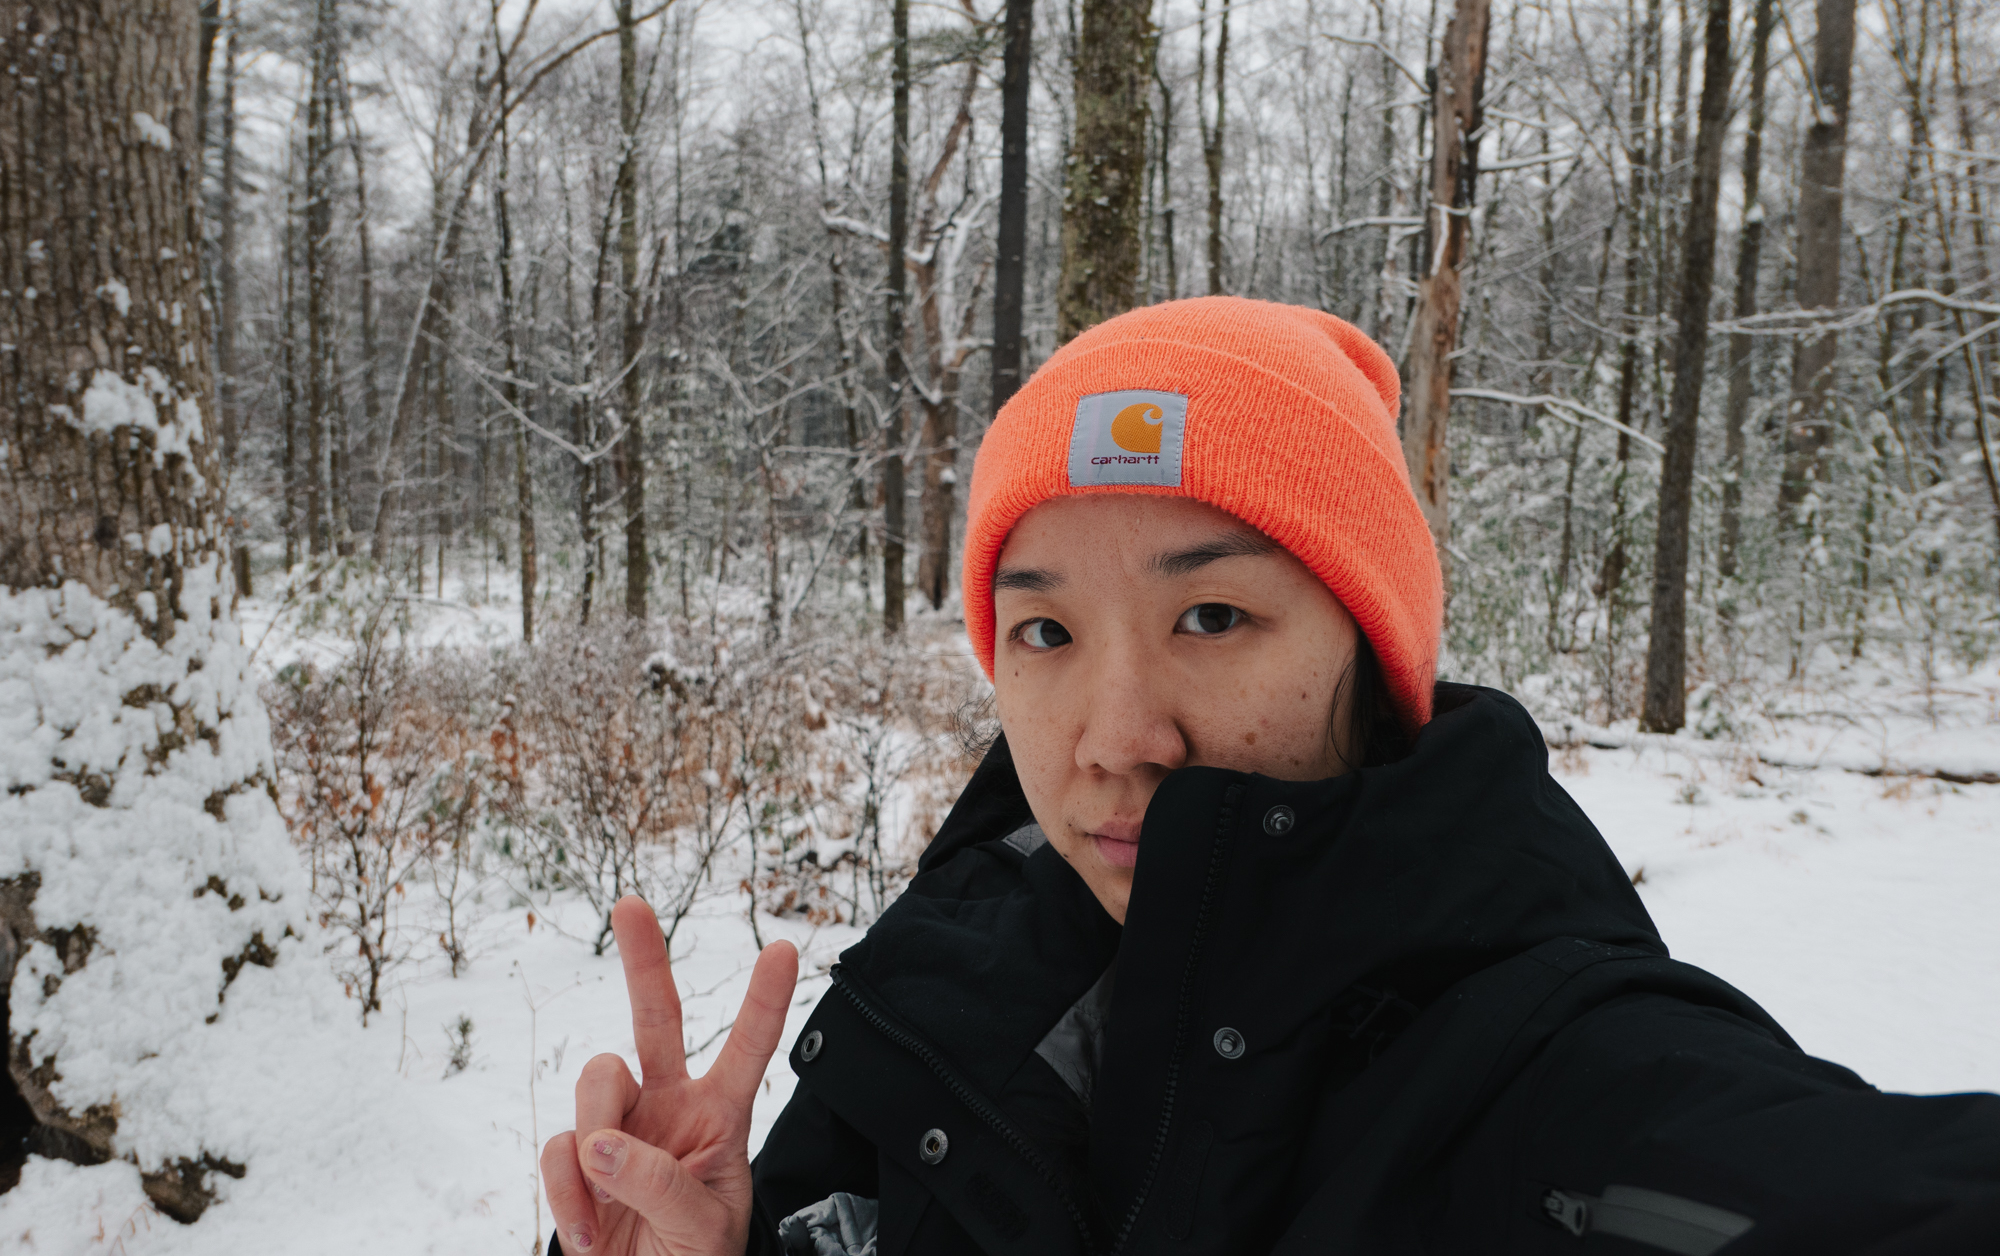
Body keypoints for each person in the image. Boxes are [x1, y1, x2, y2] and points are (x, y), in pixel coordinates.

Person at [540, 298, 2000, 1256]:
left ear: (1369, 652)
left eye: (1213, 615)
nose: (1116, 734)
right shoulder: (941, 993)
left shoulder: (1553, 1070)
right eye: (1045, 628)